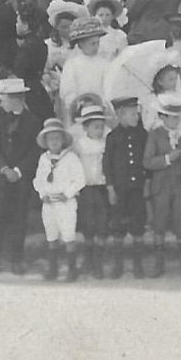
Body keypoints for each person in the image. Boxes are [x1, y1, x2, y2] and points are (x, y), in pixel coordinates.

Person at [0, 75, 39, 276]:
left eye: (4, 98)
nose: (1, 102)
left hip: (21, 179)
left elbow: (35, 151)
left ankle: (17, 258)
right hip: (2, 178)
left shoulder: (33, 122)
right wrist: (4, 169)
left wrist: (18, 171)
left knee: (19, 219)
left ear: (16, 98)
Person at [143, 92, 181, 278]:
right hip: (161, 185)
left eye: (177, 117)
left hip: (180, 185)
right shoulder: (155, 135)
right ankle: (159, 262)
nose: (175, 121)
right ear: (162, 117)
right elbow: (147, 162)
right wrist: (167, 158)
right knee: (160, 222)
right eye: (171, 118)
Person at [33, 117, 86, 281]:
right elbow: (38, 180)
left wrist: (68, 194)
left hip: (66, 202)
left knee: (68, 235)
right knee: (52, 235)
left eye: (57, 138)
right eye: (50, 138)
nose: (54, 141)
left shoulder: (70, 158)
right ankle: (53, 268)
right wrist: (43, 194)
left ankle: (72, 269)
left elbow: (80, 179)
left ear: (63, 140)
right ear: (46, 141)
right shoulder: (44, 159)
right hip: (49, 203)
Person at [102, 95, 150, 278]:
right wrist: (110, 188)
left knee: (138, 224)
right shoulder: (112, 137)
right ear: (120, 116)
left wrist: (147, 184)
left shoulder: (143, 135)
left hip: (137, 188)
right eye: (131, 115)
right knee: (118, 226)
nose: (135, 118)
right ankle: (118, 265)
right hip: (120, 189)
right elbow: (107, 165)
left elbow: (147, 161)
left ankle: (138, 265)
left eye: (136, 114)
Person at [71, 102, 111, 279]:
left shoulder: (107, 143)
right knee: (88, 224)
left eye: (101, 127)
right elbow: (73, 166)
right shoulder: (79, 145)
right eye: (95, 127)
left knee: (102, 223)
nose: (99, 131)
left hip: (102, 188)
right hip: (86, 189)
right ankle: (87, 259)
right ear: (86, 127)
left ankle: (98, 262)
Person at [58, 16, 108, 123]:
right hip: (80, 110)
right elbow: (67, 91)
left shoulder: (105, 63)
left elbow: (109, 87)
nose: (96, 47)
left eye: (97, 43)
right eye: (92, 43)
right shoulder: (72, 64)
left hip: (101, 109)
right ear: (81, 44)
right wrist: (80, 102)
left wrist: (101, 102)